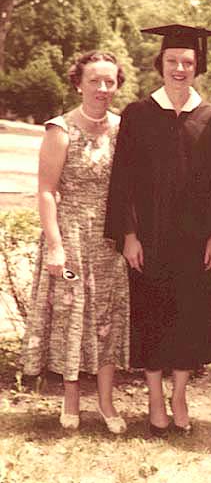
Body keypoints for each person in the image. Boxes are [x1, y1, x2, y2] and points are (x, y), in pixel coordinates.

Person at [105, 24, 211, 437]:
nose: (180, 68)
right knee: (151, 316)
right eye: (172, 61)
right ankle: (155, 398)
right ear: (161, 64)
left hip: (194, 240)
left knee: (188, 316)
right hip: (150, 237)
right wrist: (129, 235)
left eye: (188, 62)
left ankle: (179, 395)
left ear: (198, 67)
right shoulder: (138, 115)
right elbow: (122, 181)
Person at [21, 51, 130, 434]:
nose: (102, 88)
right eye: (94, 80)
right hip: (71, 235)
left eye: (110, 81)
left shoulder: (123, 128)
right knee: (72, 316)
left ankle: (106, 402)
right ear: (78, 82)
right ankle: (70, 400)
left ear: (118, 85)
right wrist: (55, 245)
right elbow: (47, 191)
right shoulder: (60, 129)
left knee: (107, 319)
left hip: (110, 238)